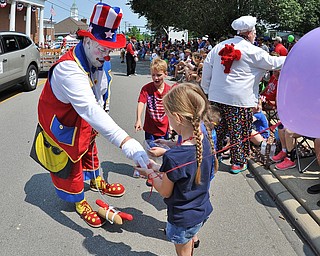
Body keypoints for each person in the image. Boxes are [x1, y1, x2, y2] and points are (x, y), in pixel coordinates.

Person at [30, 2, 149, 228]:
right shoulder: (69, 70)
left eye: (109, 49)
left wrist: (103, 114)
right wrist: (125, 141)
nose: (106, 55)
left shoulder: (98, 60)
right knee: (73, 158)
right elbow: (89, 108)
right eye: (102, 48)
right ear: (87, 40)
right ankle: (79, 201)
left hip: (83, 119)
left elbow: (101, 94)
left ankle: (95, 180)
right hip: (62, 122)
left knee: (89, 148)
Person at [135, 83, 218, 256]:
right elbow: (184, 174)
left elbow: (165, 191)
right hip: (202, 209)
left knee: (183, 249)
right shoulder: (206, 139)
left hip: (182, 218)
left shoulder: (174, 157)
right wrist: (157, 167)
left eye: (168, 116)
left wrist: (149, 172)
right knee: (188, 242)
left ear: (177, 118)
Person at [201, 15, 286, 174]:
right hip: (239, 100)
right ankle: (237, 163)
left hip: (217, 97)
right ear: (249, 33)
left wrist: (206, 91)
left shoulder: (218, 46)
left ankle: (213, 157)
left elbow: (207, 70)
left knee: (217, 129)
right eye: (254, 33)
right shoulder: (253, 51)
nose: (255, 36)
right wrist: (294, 57)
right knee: (238, 131)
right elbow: (274, 62)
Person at [135, 58, 171, 142]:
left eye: (159, 75)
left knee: (163, 151)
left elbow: (172, 109)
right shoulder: (146, 88)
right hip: (150, 127)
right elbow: (141, 103)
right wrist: (138, 119)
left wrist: (172, 125)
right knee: (150, 151)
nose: (156, 78)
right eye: (153, 75)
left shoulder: (169, 90)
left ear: (165, 74)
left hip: (164, 127)